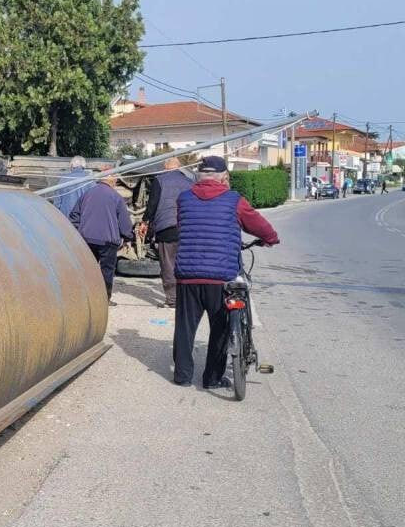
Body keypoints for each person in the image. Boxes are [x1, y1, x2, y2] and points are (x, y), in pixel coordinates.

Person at [173, 155, 279, 389]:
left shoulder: (184, 199)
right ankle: (211, 379)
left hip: (187, 275)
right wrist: (270, 238)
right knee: (220, 329)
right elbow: (257, 224)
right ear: (224, 178)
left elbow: (183, 227)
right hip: (221, 276)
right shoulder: (234, 200)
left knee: (184, 327)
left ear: (198, 177)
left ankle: (182, 377)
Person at [70, 171, 134, 300]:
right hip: (108, 241)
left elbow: (74, 216)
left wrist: (79, 231)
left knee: (88, 269)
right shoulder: (116, 197)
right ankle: (104, 299)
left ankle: (87, 298)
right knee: (107, 270)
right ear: (113, 182)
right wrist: (128, 237)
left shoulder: (87, 194)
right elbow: (124, 222)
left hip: (87, 239)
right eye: (115, 180)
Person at [139, 156, 193, 308]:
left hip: (166, 228)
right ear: (179, 167)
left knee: (168, 263)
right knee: (183, 263)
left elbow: (152, 204)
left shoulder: (159, 180)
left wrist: (145, 221)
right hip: (187, 229)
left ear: (165, 166)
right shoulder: (189, 182)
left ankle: (172, 299)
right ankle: (186, 297)